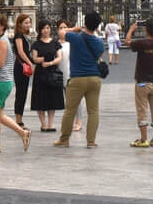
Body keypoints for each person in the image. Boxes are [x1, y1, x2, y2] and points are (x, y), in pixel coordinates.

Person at [57, 12, 107, 148]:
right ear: (97, 26)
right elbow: (99, 54)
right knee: (93, 110)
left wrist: (74, 29)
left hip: (77, 78)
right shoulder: (99, 42)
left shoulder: (75, 37)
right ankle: (91, 141)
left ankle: (64, 139)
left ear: (85, 23)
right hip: (94, 78)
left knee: (70, 110)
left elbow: (61, 33)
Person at [0, 14, 31, 153]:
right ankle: (23, 133)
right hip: (1, 81)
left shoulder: (2, 42)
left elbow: (0, 63)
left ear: (2, 26)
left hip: (0, 82)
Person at [125, 17, 153, 148]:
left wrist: (131, 29)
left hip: (142, 81)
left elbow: (127, 42)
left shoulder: (142, 43)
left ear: (146, 29)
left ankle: (143, 139)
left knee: (142, 109)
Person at [30, 20, 65, 132]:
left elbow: (60, 57)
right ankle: (43, 124)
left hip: (52, 72)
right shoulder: (36, 44)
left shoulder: (55, 43)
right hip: (40, 73)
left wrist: (50, 62)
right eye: (44, 28)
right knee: (40, 99)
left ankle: (50, 124)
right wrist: (44, 59)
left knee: (52, 98)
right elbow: (34, 58)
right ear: (40, 30)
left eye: (48, 28)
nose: (46, 30)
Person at [10, 13, 34, 129]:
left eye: (29, 22)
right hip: (21, 67)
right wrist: (30, 63)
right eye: (26, 23)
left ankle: (19, 118)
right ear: (20, 24)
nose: (28, 25)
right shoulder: (19, 35)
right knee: (20, 93)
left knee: (23, 93)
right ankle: (18, 120)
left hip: (23, 66)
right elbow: (20, 51)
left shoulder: (25, 35)